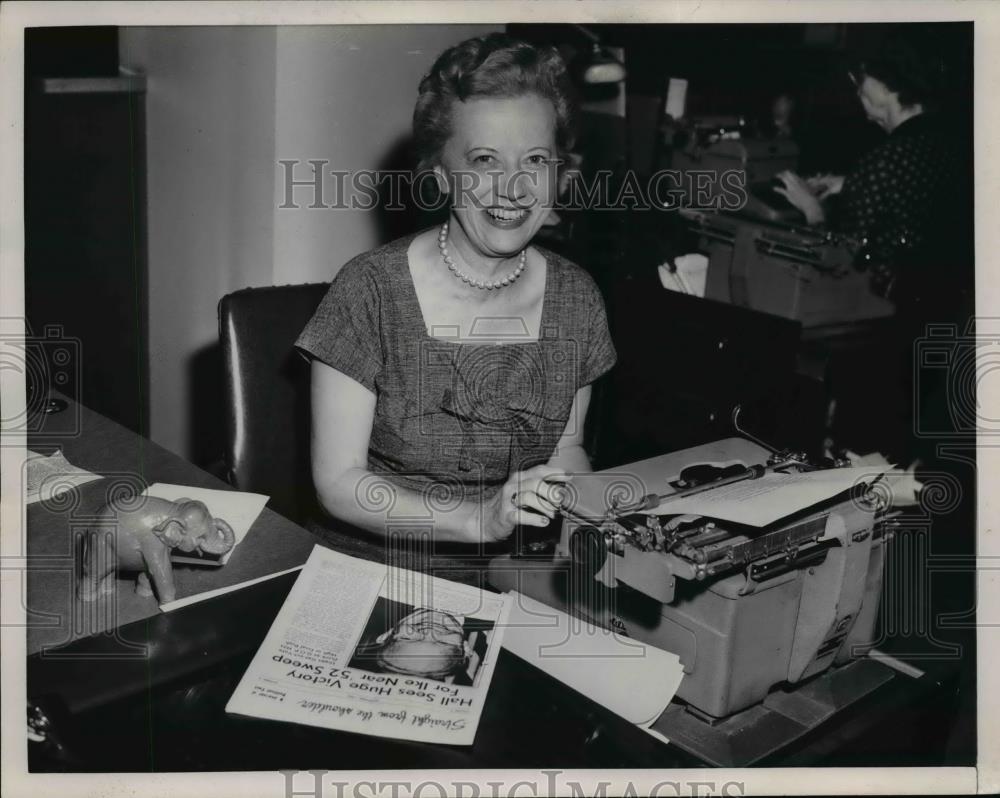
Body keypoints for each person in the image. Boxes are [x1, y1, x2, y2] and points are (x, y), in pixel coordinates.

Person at [295, 34, 617, 547]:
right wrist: (478, 520)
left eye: (535, 160)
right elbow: (338, 484)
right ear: (442, 174)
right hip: (376, 561)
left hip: (518, 566)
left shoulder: (577, 299)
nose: (514, 188)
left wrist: (593, 509)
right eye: (485, 160)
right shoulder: (370, 290)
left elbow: (566, 453)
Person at [773, 32, 971, 465]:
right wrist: (851, 184)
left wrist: (812, 211)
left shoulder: (882, 162)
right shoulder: (952, 143)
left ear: (884, 87)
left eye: (861, 88)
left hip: (877, 332)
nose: (860, 102)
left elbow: (843, 261)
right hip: (942, 324)